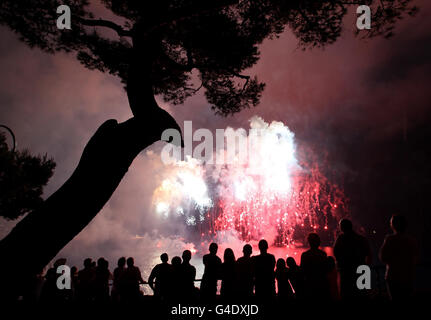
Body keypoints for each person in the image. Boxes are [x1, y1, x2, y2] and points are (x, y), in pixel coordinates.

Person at [380, 214, 418, 301]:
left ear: (393, 225)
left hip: (393, 276)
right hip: (408, 276)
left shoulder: (390, 239)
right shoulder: (412, 240)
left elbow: (382, 257)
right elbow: (416, 258)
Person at [333, 218, 371, 300]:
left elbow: (336, 253)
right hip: (362, 270)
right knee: (363, 295)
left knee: (347, 295)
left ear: (342, 227)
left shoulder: (341, 239)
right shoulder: (361, 239)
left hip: (346, 271)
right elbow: (369, 254)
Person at [300, 233, 329, 300]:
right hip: (321, 283)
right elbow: (326, 269)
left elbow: (302, 270)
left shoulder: (305, 255)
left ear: (309, 242)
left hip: (310, 283)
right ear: (318, 242)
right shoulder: (323, 254)